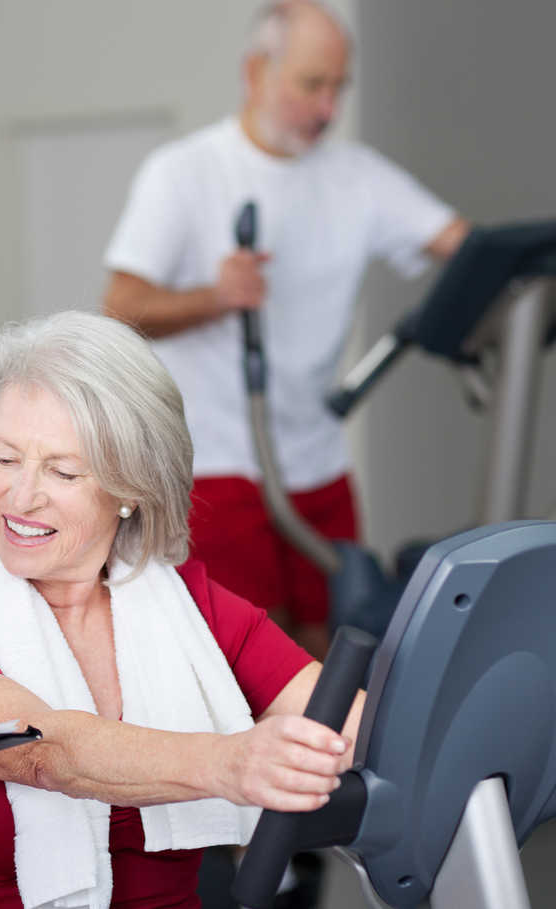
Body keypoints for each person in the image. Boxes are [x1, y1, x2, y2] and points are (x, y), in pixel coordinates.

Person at [0, 311, 363, 909]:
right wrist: (229, 762)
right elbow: (37, 750)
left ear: (131, 487)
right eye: (5, 459)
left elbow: (357, 731)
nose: (22, 496)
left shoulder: (193, 611)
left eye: (63, 470)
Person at [102, 0, 470, 659]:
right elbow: (119, 306)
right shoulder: (186, 172)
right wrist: (215, 296)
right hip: (215, 462)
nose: (328, 107)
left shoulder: (357, 176)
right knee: (249, 656)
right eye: (311, 85)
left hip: (317, 458)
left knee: (338, 650)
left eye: (338, 87)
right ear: (255, 72)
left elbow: (464, 248)